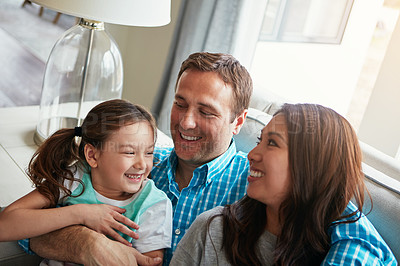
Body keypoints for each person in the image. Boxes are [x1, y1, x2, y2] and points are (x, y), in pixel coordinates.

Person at [19, 52, 254, 266]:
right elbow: (26, 234)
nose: (185, 122)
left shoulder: (252, 186)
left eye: (206, 112)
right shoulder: (132, 166)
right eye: (180, 104)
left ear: (239, 122)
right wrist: (82, 242)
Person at [170, 103, 397, 265]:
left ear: (311, 165)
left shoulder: (344, 252)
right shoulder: (212, 228)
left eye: (272, 143)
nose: (252, 154)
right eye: (260, 141)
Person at [1, 99, 172, 265]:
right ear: (92, 155)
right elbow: (5, 225)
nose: (142, 164)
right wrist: (81, 213)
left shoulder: (154, 204)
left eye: (149, 153)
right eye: (129, 153)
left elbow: (149, 262)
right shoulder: (74, 179)